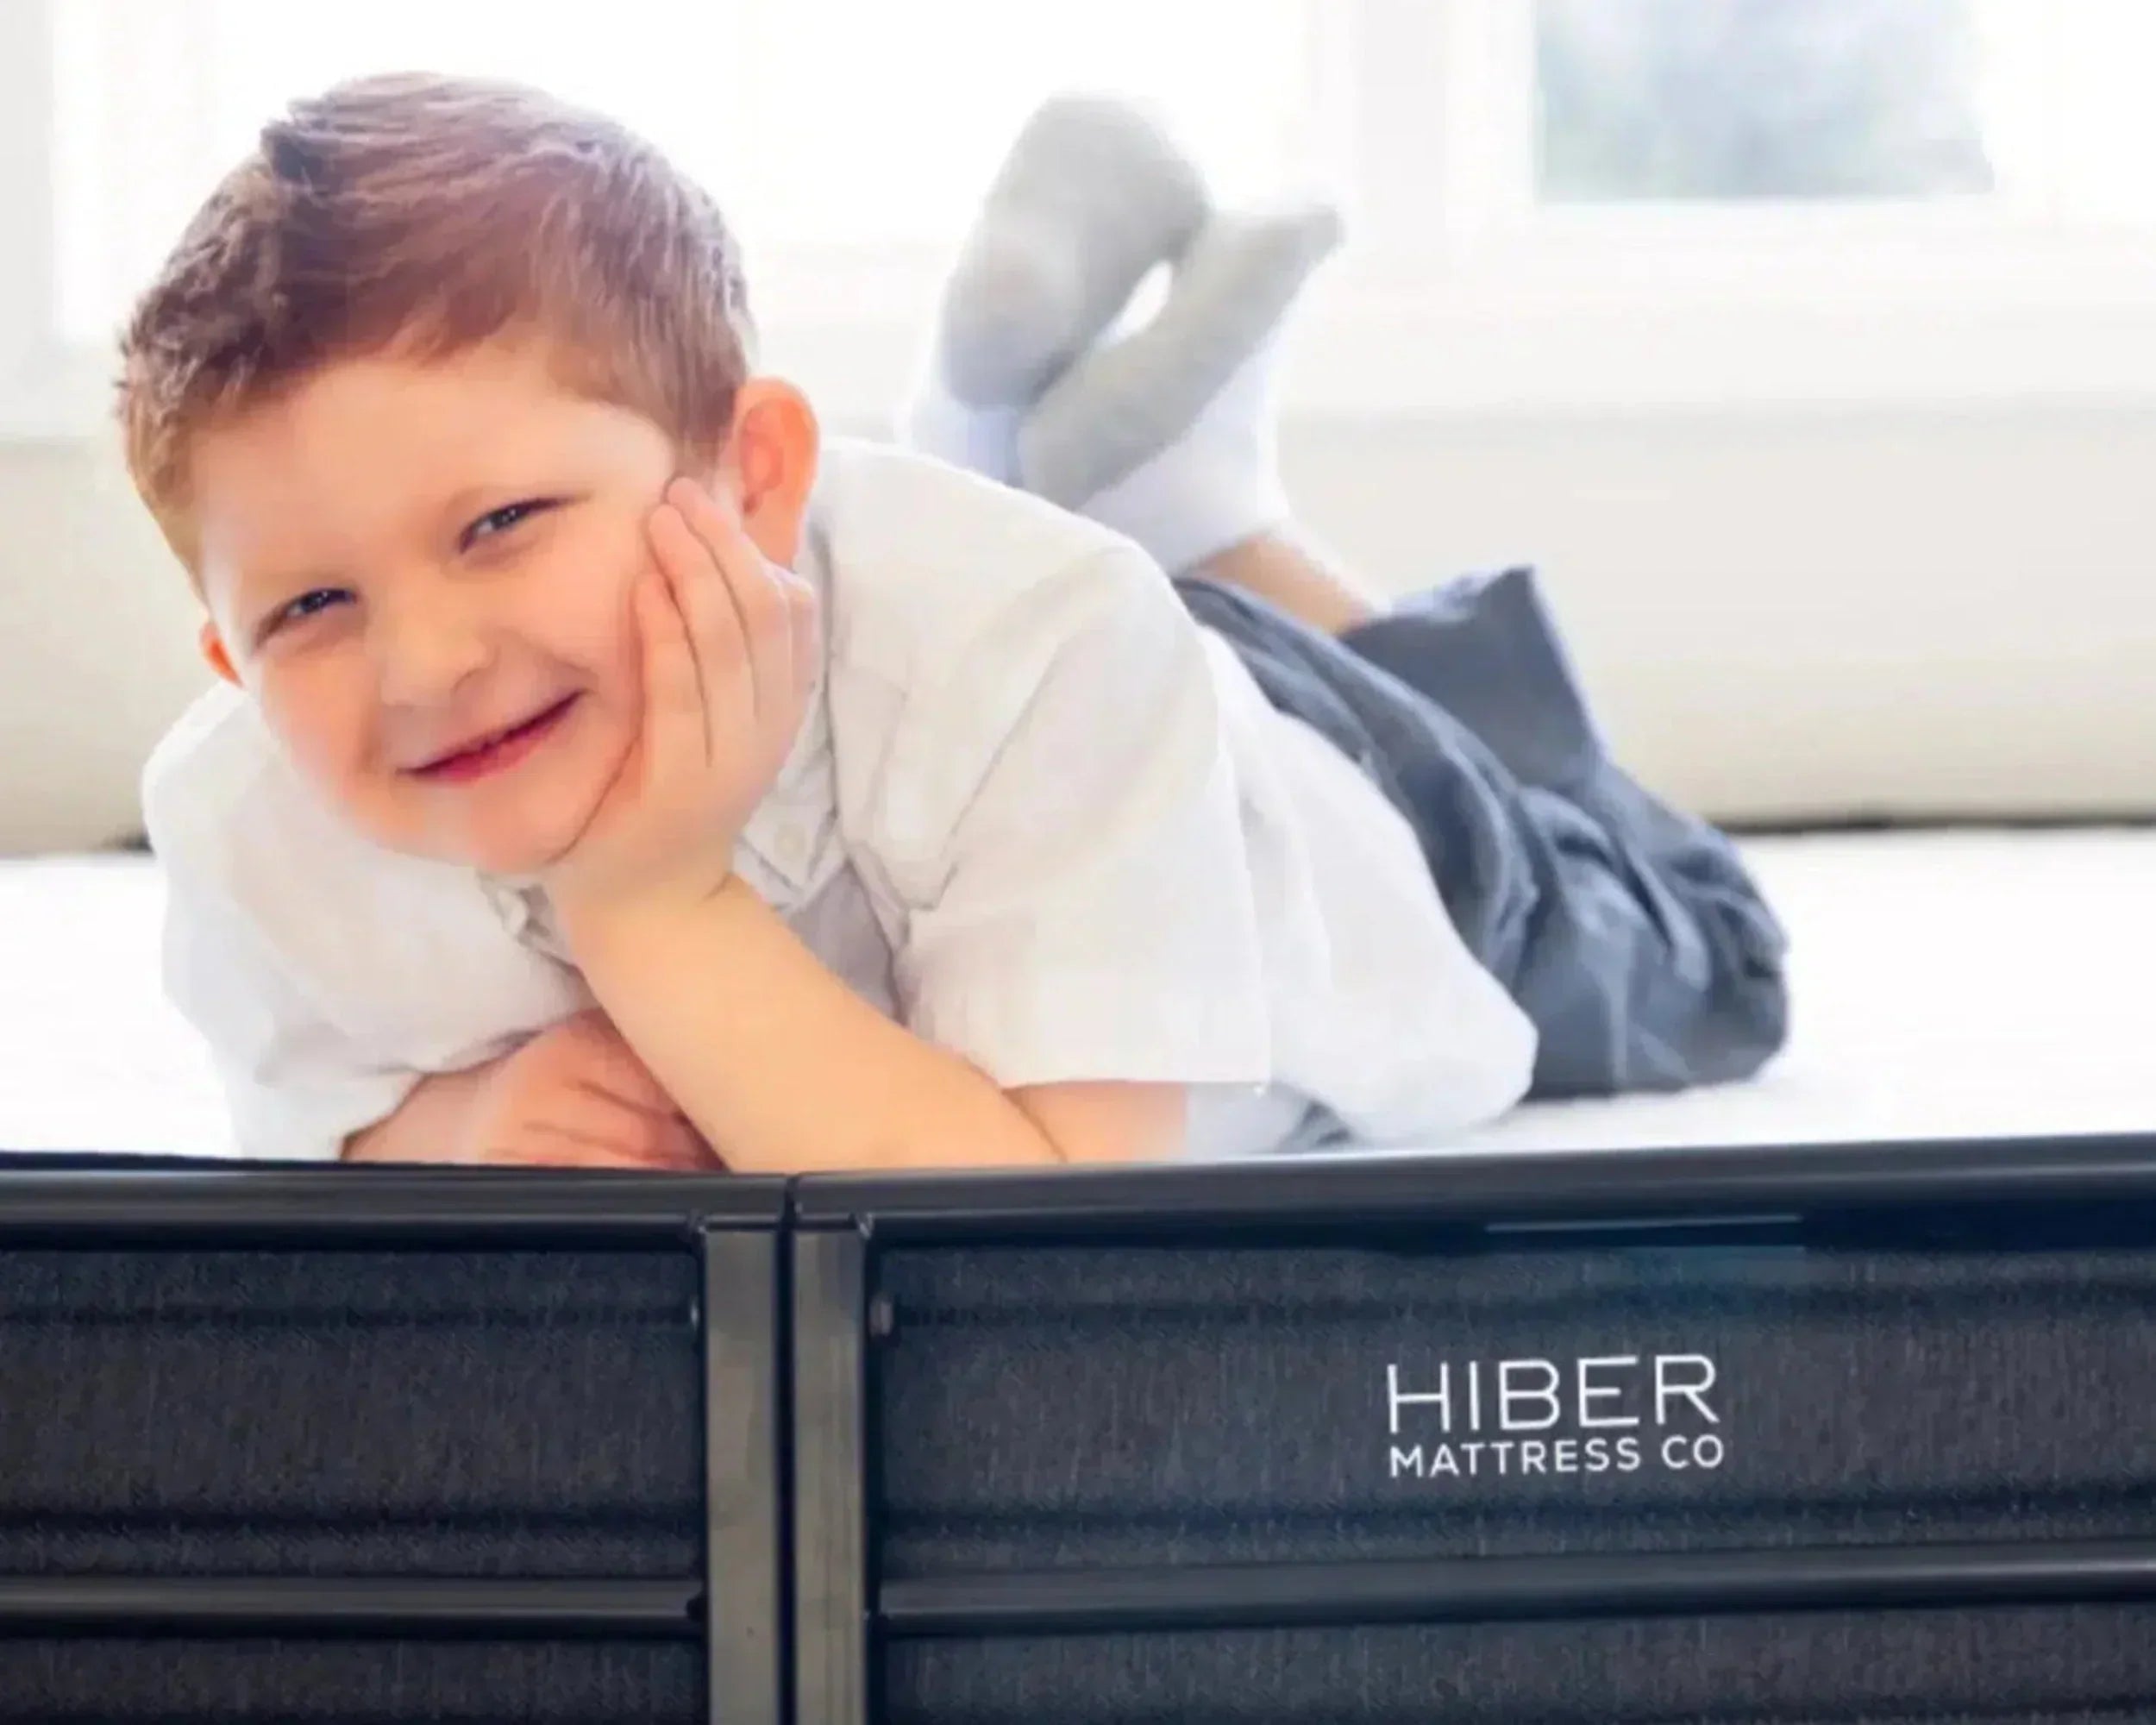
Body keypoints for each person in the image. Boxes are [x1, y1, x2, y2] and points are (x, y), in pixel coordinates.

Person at [126, 77, 1784, 1174]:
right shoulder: (242, 812)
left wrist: (652, 906)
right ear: (227, 660)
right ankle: (1092, 469)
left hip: (1293, 788)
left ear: (754, 475)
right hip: (1014, 641)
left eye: (500, 526)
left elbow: (1038, 1222)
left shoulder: (1037, 657)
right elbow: (294, 1101)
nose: (423, 665)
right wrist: (451, 1126)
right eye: (310, 608)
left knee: (1710, 957)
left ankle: (1211, 519)